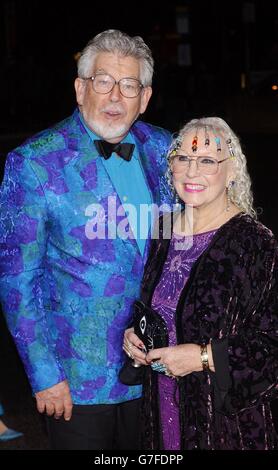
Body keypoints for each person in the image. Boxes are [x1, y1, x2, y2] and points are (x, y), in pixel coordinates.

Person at [0, 29, 173, 450]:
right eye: (103, 81)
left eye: (129, 85)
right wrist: (44, 374)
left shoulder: (166, 149)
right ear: (80, 89)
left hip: (158, 369)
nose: (116, 96)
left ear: (144, 97)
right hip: (78, 381)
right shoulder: (34, 162)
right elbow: (16, 281)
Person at [123, 116, 278, 450]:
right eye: (184, 158)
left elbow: (271, 347)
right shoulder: (162, 232)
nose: (192, 172)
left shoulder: (254, 243)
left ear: (232, 170)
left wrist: (203, 357)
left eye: (207, 160)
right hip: (160, 409)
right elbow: (164, 308)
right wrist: (136, 336)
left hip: (226, 424)